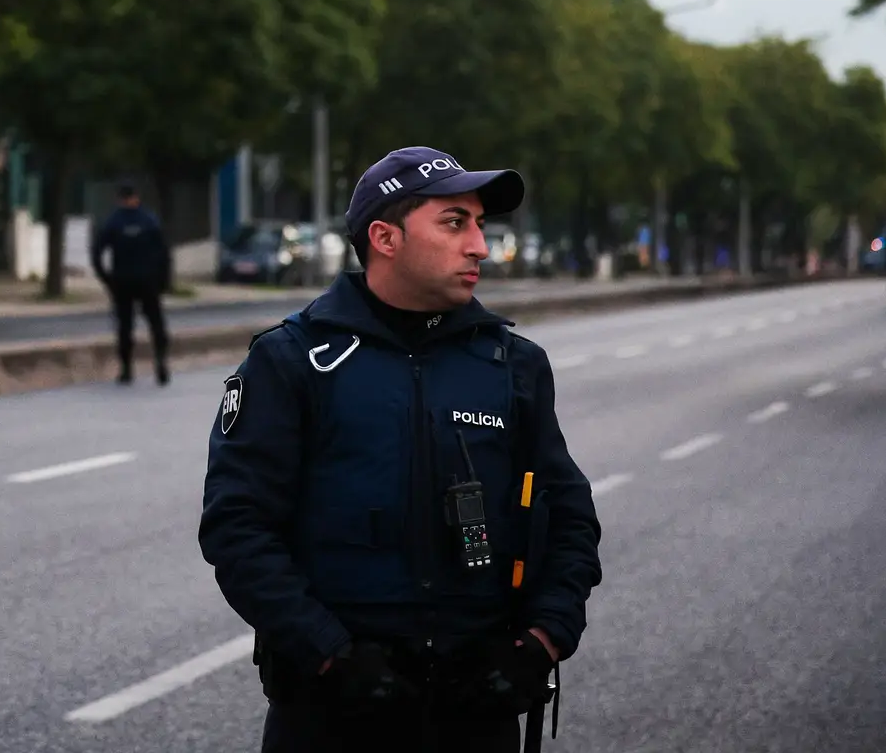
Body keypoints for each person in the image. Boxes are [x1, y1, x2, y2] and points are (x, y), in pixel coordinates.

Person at [201, 147, 602, 753]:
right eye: (453, 223)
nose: (479, 247)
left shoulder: (513, 365)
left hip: (479, 711)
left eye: (480, 226)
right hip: (332, 714)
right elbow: (237, 530)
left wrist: (540, 643)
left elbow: (571, 519)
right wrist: (333, 655)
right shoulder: (291, 363)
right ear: (385, 238)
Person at [90, 183, 173, 386]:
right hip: (146, 281)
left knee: (126, 327)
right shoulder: (148, 220)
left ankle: (129, 369)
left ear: (119, 199)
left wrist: (107, 279)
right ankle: (158, 363)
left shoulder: (114, 222)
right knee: (154, 325)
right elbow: (164, 252)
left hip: (124, 281)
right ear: (137, 197)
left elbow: (97, 253)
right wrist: (164, 280)